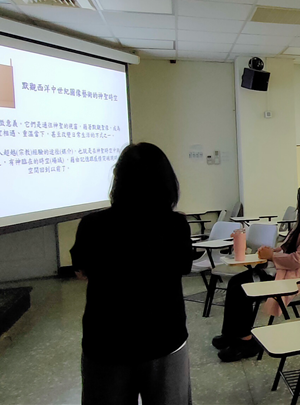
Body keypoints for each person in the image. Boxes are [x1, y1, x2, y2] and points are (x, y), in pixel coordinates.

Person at [71, 143, 194, 405]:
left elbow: (82, 271)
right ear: (167, 182)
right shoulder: (175, 225)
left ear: (119, 181)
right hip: (163, 338)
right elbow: (184, 267)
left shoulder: (92, 225)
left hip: (106, 341)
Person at [213, 182, 300, 362]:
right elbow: (286, 247)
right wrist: (271, 251)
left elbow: (296, 260)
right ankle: (230, 334)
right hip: (281, 270)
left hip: (293, 279)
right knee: (235, 282)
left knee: (242, 289)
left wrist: (272, 257)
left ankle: (246, 341)